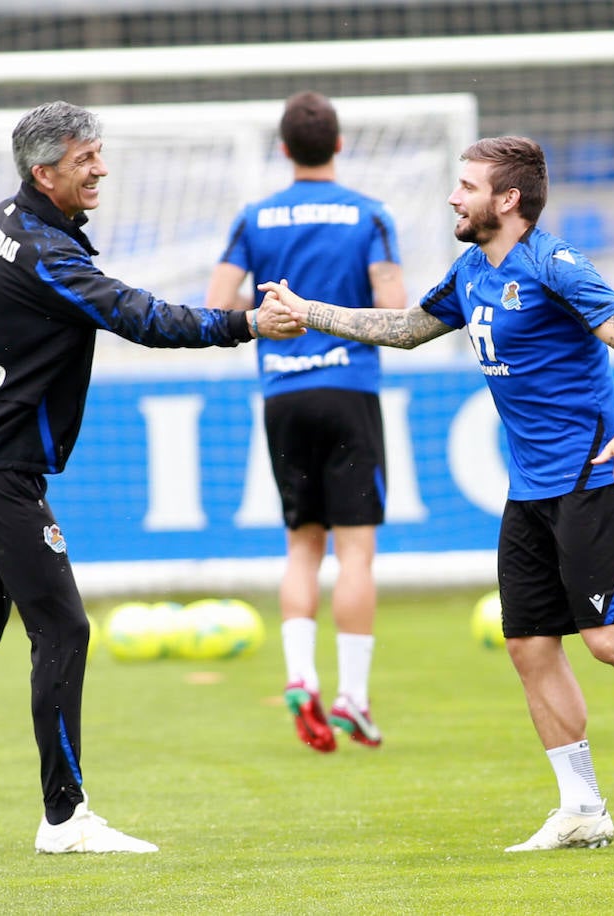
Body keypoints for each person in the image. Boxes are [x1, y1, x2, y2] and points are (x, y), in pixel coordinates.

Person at [0, 99, 296, 856]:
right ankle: (64, 817)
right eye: (85, 159)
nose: (101, 167)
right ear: (43, 173)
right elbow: (140, 316)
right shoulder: (48, 257)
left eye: (99, 153)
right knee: (63, 626)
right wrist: (243, 324)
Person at [258, 136, 614, 849]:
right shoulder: (470, 271)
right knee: (527, 645)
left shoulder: (553, 264)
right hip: (529, 493)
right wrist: (311, 311)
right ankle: (582, 809)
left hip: (595, 477)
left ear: (508, 200)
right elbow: (404, 330)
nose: (454, 197)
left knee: (610, 640)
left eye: (467, 185)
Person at [206, 91, 405, 753]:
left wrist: (274, 316)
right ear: (339, 145)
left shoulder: (255, 217)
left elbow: (217, 304)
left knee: (301, 546)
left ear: (284, 149)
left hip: (282, 393)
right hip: (349, 388)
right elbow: (394, 309)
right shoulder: (369, 215)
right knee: (356, 553)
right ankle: (353, 694)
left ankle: (299, 677)